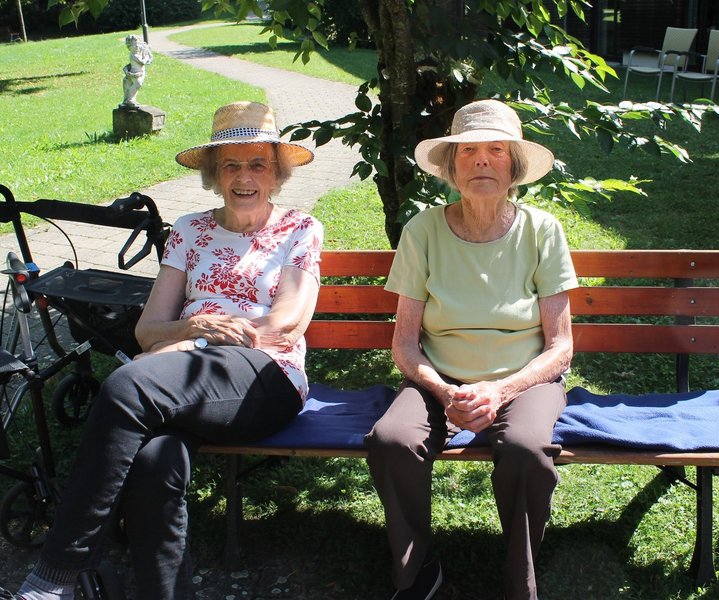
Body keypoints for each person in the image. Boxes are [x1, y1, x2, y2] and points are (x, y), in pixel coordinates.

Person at [2, 101, 323, 600]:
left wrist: (196, 338)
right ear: (213, 173)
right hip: (180, 375)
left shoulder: (299, 228)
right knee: (155, 461)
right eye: (231, 165)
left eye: (258, 164)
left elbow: (283, 326)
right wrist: (192, 327)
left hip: (266, 376)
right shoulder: (189, 230)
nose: (244, 177)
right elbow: (149, 331)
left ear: (277, 173)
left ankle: (54, 578)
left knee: (127, 384)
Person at [365, 99, 579, 600]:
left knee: (527, 450)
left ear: (514, 166)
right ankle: (417, 573)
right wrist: (444, 391)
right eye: (468, 151)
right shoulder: (422, 230)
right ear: (451, 167)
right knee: (392, 440)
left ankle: (520, 581)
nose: (482, 160)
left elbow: (561, 346)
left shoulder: (542, 230)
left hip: (525, 380)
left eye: (497, 150)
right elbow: (404, 343)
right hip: (438, 378)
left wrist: (500, 391)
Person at [120, 34, 152, 107]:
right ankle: (129, 99)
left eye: (138, 44)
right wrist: (146, 56)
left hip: (140, 73)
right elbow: (143, 62)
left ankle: (132, 99)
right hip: (135, 73)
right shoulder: (134, 55)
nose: (137, 46)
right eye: (134, 45)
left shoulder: (137, 54)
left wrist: (146, 52)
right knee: (138, 84)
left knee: (136, 85)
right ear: (129, 47)